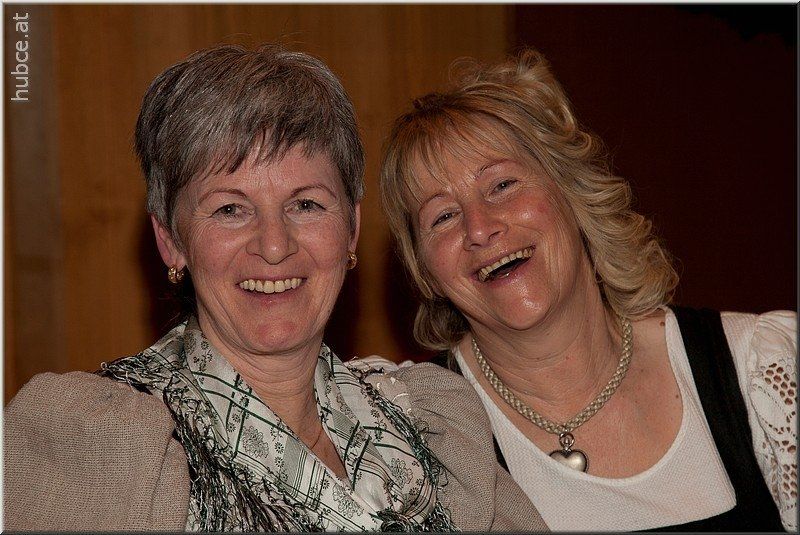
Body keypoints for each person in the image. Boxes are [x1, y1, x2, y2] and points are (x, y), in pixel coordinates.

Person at [3, 44, 547, 532]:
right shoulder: (109, 447)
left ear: (352, 228)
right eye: (230, 209)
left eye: (305, 204)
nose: (273, 245)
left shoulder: (431, 421)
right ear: (171, 241)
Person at [379, 49, 796, 532]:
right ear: (425, 272)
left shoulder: (762, 372)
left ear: (571, 192)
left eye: (502, 185)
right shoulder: (414, 439)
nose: (479, 228)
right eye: (443, 217)